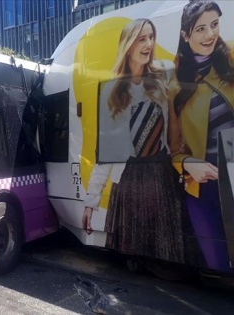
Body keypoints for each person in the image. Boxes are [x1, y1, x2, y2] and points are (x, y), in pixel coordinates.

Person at [82, 18, 186, 263]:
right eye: (142, 38)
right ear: (128, 45)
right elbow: (107, 153)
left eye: (151, 37)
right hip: (128, 180)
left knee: (168, 252)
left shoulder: (163, 74)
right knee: (132, 255)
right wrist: (90, 203)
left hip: (162, 177)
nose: (149, 43)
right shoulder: (112, 90)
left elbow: (174, 133)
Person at [169, 0, 234, 271]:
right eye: (200, 29)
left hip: (232, 176)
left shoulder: (230, 57)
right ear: (185, 35)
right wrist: (188, 164)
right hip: (202, 188)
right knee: (219, 264)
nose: (210, 34)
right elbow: (174, 148)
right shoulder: (174, 82)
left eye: (215, 25)